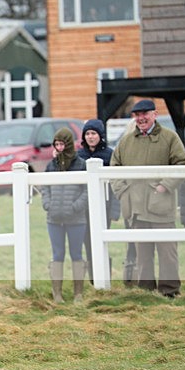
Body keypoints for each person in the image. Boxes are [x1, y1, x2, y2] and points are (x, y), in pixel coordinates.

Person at [111, 99, 185, 297]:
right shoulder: (126, 141)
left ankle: (169, 291)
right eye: (137, 115)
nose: (141, 118)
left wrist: (165, 186)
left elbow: (181, 164)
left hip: (161, 208)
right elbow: (113, 169)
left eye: (145, 114)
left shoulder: (169, 138)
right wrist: (123, 192)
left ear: (155, 114)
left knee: (167, 252)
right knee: (142, 255)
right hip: (136, 210)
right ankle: (145, 292)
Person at [42, 128, 88, 303]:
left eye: (62, 144)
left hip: (76, 219)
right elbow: (45, 187)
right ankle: (57, 294)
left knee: (76, 254)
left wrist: (76, 206)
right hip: (54, 219)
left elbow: (86, 190)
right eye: (56, 144)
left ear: (68, 144)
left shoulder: (81, 164)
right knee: (57, 254)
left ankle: (78, 293)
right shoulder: (51, 165)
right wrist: (48, 204)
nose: (59, 148)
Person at [77, 119, 119, 283]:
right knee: (88, 242)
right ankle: (93, 279)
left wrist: (115, 210)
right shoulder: (79, 156)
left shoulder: (110, 155)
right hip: (84, 208)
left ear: (100, 135)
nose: (90, 137)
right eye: (87, 133)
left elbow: (115, 184)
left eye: (93, 133)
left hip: (105, 206)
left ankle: (105, 276)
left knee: (102, 241)